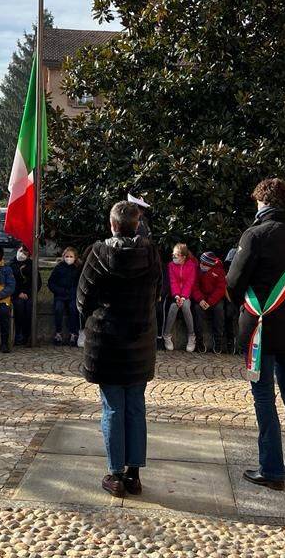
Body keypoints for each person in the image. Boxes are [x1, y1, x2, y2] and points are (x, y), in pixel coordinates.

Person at [226, 178, 285, 488]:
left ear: (263, 202)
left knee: (263, 397)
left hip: (261, 328)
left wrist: (241, 303)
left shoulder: (255, 235)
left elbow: (234, 283)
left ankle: (272, 470)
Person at [79, 200, 161, 497]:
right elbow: (157, 293)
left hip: (109, 341)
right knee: (136, 407)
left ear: (112, 225)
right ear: (137, 225)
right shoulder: (151, 252)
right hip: (139, 337)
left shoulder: (99, 253)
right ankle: (134, 474)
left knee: (113, 407)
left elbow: (83, 297)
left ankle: (115, 473)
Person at [164, 243, 198, 352]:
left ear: (183, 257)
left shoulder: (191, 265)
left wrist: (183, 297)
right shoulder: (171, 265)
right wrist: (177, 296)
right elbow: (173, 281)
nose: (173, 257)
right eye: (173, 255)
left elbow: (190, 282)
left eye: (176, 255)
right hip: (174, 295)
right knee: (173, 307)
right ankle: (167, 335)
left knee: (185, 307)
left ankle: (191, 336)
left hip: (187, 295)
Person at [193, 251, 227, 354]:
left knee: (219, 311)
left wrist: (210, 301)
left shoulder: (219, 271)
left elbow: (220, 289)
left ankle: (218, 341)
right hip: (201, 298)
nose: (201, 265)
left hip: (215, 299)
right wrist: (200, 299)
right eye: (201, 263)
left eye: (204, 264)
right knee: (197, 311)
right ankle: (199, 340)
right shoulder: (197, 270)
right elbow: (194, 286)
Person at [48, 246, 82, 346]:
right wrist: (60, 291)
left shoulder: (78, 268)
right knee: (58, 308)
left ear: (75, 257)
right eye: (67, 256)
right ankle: (58, 333)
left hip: (72, 296)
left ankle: (73, 334)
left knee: (73, 309)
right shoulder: (59, 267)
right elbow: (51, 283)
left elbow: (80, 284)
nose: (69, 258)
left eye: (71, 256)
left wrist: (73, 292)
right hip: (60, 295)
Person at [11, 246, 34, 346]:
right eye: (21, 251)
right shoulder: (11, 265)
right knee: (19, 307)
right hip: (16, 294)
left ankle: (27, 335)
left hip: (27, 294)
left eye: (25, 253)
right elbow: (10, 282)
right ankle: (18, 334)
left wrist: (27, 293)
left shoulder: (31, 265)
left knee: (29, 307)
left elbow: (36, 282)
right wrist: (18, 293)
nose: (22, 254)